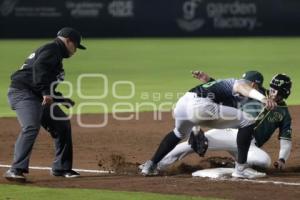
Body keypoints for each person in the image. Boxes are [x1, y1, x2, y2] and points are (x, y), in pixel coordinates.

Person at [140, 70, 277, 179]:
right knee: (247, 121)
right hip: (199, 105)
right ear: (253, 85)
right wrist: (262, 98)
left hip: (182, 104)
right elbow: (243, 87)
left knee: (179, 133)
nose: (256, 91)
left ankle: (151, 165)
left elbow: (212, 97)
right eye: (257, 88)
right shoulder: (237, 83)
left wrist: (195, 129)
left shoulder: (229, 93)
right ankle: (241, 169)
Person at [4, 27, 86, 181]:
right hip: (23, 93)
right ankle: (15, 169)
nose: (75, 51)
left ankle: (61, 168)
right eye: (75, 46)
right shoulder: (52, 49)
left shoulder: (56, 55)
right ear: (69, 41)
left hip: (36, 94)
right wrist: (45, 93)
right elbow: (39, 68)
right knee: (31, 126)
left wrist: (61, 99)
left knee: (62, 124)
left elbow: (46, 80)